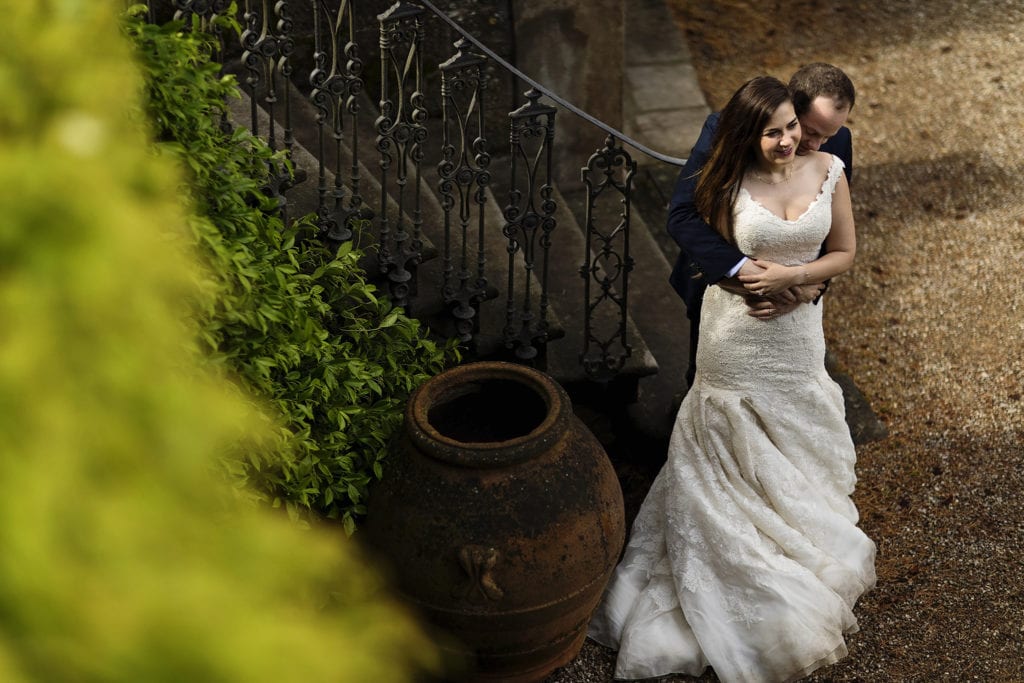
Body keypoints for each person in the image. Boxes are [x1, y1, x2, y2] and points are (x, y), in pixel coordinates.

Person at [588, 76, 876, 682]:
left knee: (798, 421)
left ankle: (791, 531)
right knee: (722, 425)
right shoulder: (727, 150)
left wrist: (801, 287)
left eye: (813, 133)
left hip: (798, 324)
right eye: (793, 128)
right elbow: (688, 222)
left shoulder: (829, 155)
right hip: (731, 310)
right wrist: (749, 276)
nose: (802, 141)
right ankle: (726, 540)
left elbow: (838, 246)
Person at [667, 63, 857, 387]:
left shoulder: (835, 147)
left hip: (795, 310)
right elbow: (683, 214)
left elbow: (829, 226)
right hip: (722, 292)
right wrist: (746, 275)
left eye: (830, 134)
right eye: (811, 131)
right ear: (789, 107)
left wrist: (805, 285)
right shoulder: (722, 128)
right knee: (703, 384)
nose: (817, 145)